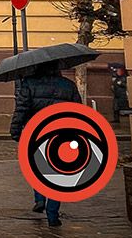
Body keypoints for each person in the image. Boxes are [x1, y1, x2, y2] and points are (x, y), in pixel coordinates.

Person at [9, 62, 82, 227]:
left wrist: (15, 131)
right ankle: (52, 214)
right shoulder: (68, 86)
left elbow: (21, 110)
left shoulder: (29, 84)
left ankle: (40, 198)